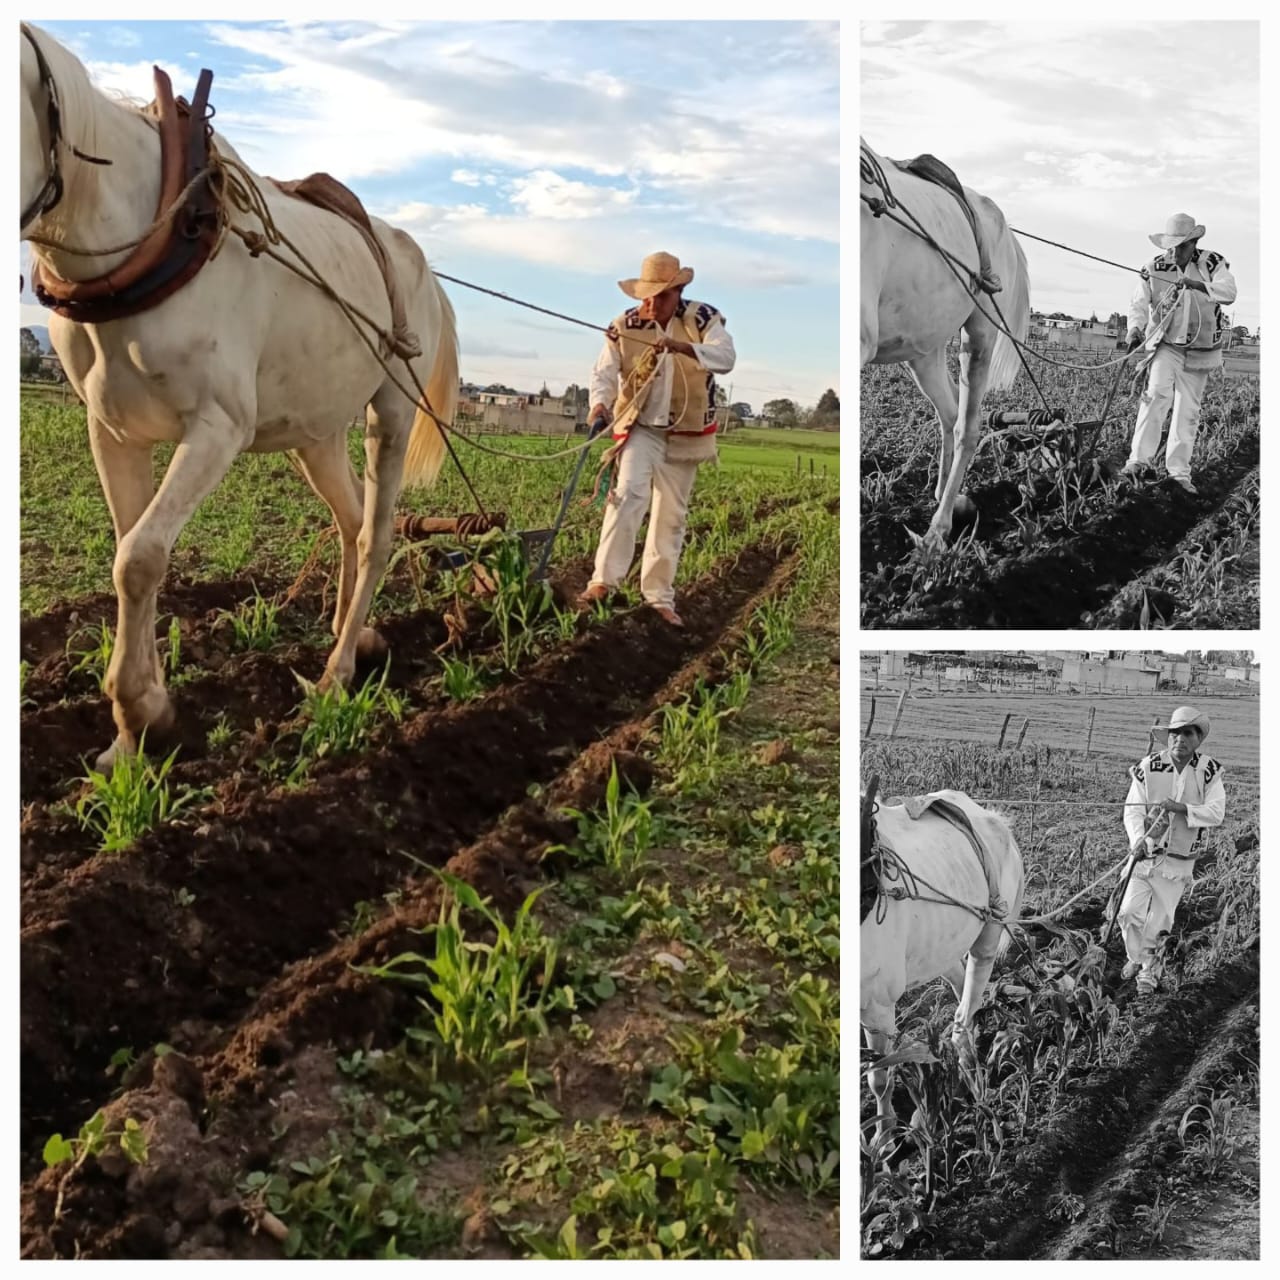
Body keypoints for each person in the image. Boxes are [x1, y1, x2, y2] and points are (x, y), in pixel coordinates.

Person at [578, 252, 736, 627]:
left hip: (686, 431)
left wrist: (682, 347)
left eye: (660, 296)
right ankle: (603, 583)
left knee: (671, 515)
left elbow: (726, 357)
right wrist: (599, 405)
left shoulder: (702, 319)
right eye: (646, 296)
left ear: (678, 293)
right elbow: (603, 372)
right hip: (641, 428)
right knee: (627, 496)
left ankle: (658, 598)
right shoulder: (625, 325)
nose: (650, 304)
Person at [1122, 213, 1237, 495]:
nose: (1174, 252)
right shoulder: (1154, 267)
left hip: (1200, 349)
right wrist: (1134, 329)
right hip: (1166, 344)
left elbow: (1229, 291)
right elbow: (1139, 303)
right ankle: (1138, 462)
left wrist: (1198, 285)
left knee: (1188, 410)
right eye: (1170, 246)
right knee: (1155, 395)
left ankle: (1179, 474)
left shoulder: (1213, 263)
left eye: (1181, 246)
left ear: (1194, 243)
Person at [1118, 705, 1225, 995]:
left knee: (1161, 919)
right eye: (1175, 733)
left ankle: (1149, 973)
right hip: (1144, 854)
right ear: (1168, 737)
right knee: (1128, 912)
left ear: (1197, 739)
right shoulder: (1148, 766)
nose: (1180, 739)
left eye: (1187, 733)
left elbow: (1216, 813)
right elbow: (1132, 810)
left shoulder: (1208, 772)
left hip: (1177, 860)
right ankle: (1135, 957)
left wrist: (1182, 809)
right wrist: (1137, 839)